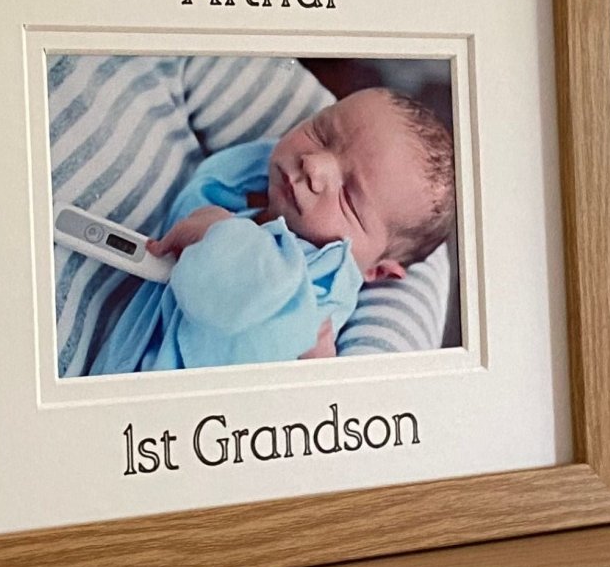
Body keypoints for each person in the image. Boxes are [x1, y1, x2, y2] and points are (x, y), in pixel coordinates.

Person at [89, 87, 456, 375]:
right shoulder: (263, 206)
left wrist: (217, 234)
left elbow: (243, 308)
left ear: (374, 270)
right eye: (322, 133)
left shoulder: (323, 279)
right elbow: (202, 196)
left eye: (348, 195)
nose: (314, 165)